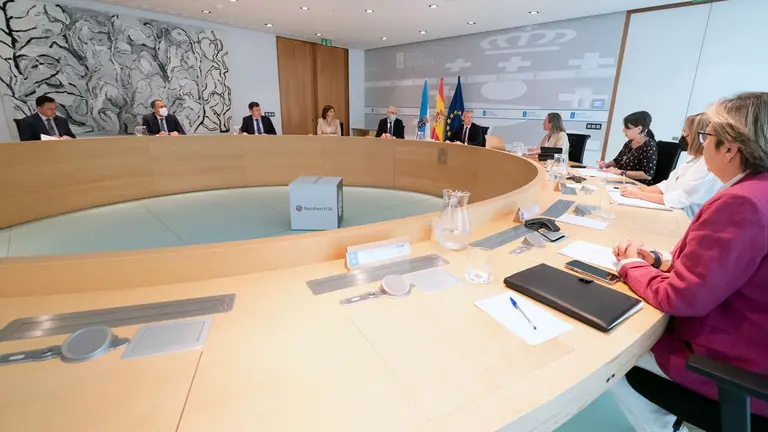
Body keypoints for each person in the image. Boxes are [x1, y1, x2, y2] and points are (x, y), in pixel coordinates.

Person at [610, 92, 768, 431]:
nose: (698, 142)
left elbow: (682, 298)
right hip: (754, 351)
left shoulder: (743, 202)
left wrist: (629, 266)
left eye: (706, 135)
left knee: (615, 358)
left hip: (734, 365)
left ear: (729, 148)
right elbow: (732, 268)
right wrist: (658, 259)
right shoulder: (758, 192)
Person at [619, 113, 722, 219]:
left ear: (699, 137)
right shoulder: (692, 160)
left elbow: (681, 199)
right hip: (670, 210)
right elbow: (666, 185)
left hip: (683, 218)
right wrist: (639, 190)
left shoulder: (708, 166)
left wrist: (639, 194)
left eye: (686, 133)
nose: (683, 137)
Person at [598, 111, 658, 185]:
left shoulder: (649, 145)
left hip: (638, 186)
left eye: (627, 128)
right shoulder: (629, 143)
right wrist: (606, 165)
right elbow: (617, 161)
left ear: (639, 129)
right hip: (623, 182)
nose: (623, 130)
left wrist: (621, 172)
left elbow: (647, 175)